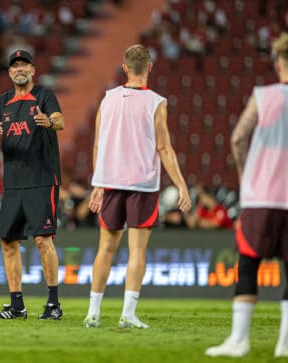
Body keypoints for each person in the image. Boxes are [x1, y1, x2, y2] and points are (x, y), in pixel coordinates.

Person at [205, 33, 288, 359]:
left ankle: (239, 341)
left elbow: (237, 139)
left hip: (261, 196)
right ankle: (286, 345)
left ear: (278, 65)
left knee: (248, 265)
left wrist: (248, 177)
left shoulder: (264, 96)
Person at [84, 45, 191, 329]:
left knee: (105, 249)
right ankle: (127, 314)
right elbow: (164, 147)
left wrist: (98, 184)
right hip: (142, 184)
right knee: (137, 252)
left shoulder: (107, 99)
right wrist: (181, 185)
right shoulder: (156, 102)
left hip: (110, 181)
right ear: (150, 67)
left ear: (125, 66)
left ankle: (93, 312)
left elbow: (98, 144)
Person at [0, 49, 65, 320]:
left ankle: (53, 305)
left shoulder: (44, 95)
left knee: (43, 240)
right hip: (14, 182)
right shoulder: (3, 101)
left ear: (33, 70)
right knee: (8, 242)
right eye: (15, 66)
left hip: (42, 177)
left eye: (24, 65)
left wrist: (49, 122)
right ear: (9, 72)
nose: (19, 69)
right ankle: (17, 306)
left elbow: (60, 120)